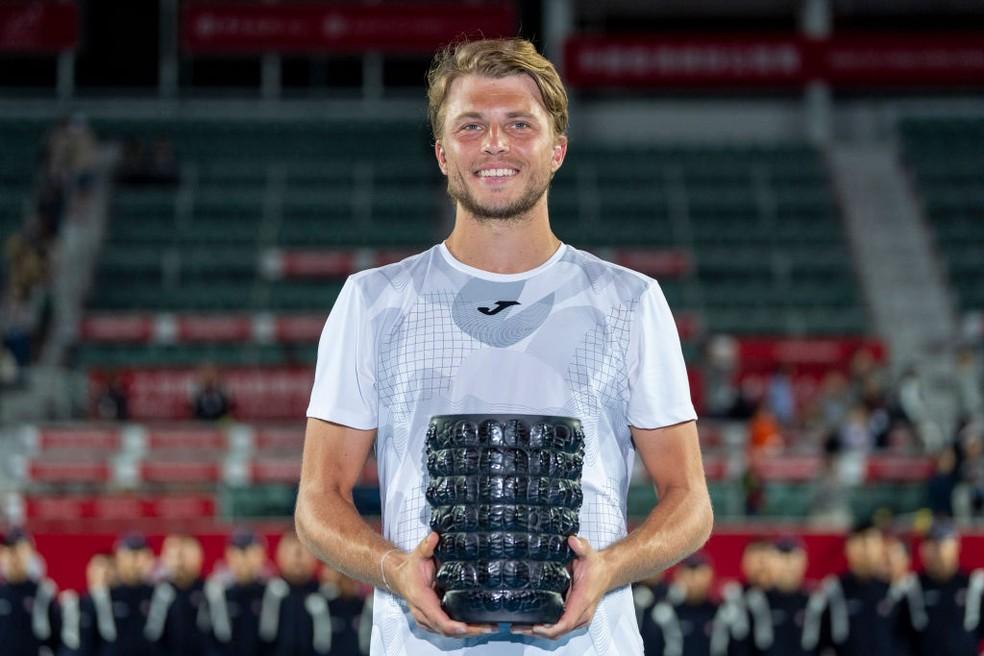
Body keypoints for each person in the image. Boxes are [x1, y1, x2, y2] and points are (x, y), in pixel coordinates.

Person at [294, 37, 712, 655]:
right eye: (471, 126)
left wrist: (611, 567)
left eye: (519, 124)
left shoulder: (629, 301)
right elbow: (316, 502)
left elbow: (691, 503)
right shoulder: (372, 301)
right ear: (440, 152)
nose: (495, 144)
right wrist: (393, 569)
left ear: (558, 149)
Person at [811, 521, 898, 655]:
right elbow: (820, 642)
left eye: (872, 543)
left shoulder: (893, 591)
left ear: (881, 547)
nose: (867, 551)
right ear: (848, 548)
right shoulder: (834, 591)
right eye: (862, 544)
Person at [899, 522, 984, 655]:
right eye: (930, 546)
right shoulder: (910, 587)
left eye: (942, 545)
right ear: (922, 550)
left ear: (956, 546)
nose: (937, 553)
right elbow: (898, 638)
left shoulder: (975, 584)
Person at [76, 533, 156, 656]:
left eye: (140, 555)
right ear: (118, 558)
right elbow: (85, 646)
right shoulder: (101, 599)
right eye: (130, 555)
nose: (135, 562)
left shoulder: (160, 596)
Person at [644, 552, 735, 656]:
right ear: (678, 576)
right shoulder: (664, 613)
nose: (694, 579)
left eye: (701, 573)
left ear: (711, 575)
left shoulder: (724, 612)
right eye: (689, 573)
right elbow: (651, 649)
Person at [745, 536, 823, 656]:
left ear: (805, 562)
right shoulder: (753, 603)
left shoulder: (817, 602)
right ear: (770, 563)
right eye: (782, 558)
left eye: (794, 559)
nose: (788, 565)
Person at [259, 532, 332, 656]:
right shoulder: (264, 593)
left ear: (315, 556)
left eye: (304, 551)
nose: (297, 558)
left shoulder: (329, 596)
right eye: (291, 552)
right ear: (279, 556)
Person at [205, 529, 268, 656]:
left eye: (250, 552)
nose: (244, 559)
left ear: (262, 555)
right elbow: (207, 640)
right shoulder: (216, 594)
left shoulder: (272, 592)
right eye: (238, 553)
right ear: (228, 555)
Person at [145, 534, 210, 655]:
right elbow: (153, 636)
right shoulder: (161, 591)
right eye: (177, 556)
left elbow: (216, 636)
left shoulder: (209, 589)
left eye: (187, 556)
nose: (181, 563)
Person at [0, 528, 61, 656]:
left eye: (21, 551)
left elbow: (56, 639)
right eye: (11, 551)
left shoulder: (43, 593)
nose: (15, 557)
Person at [319, 567, 368, 655]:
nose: (348, 584)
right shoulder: (330, 606)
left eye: (351, 581)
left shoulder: (363, 606)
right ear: (339, 582)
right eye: (345, 580)